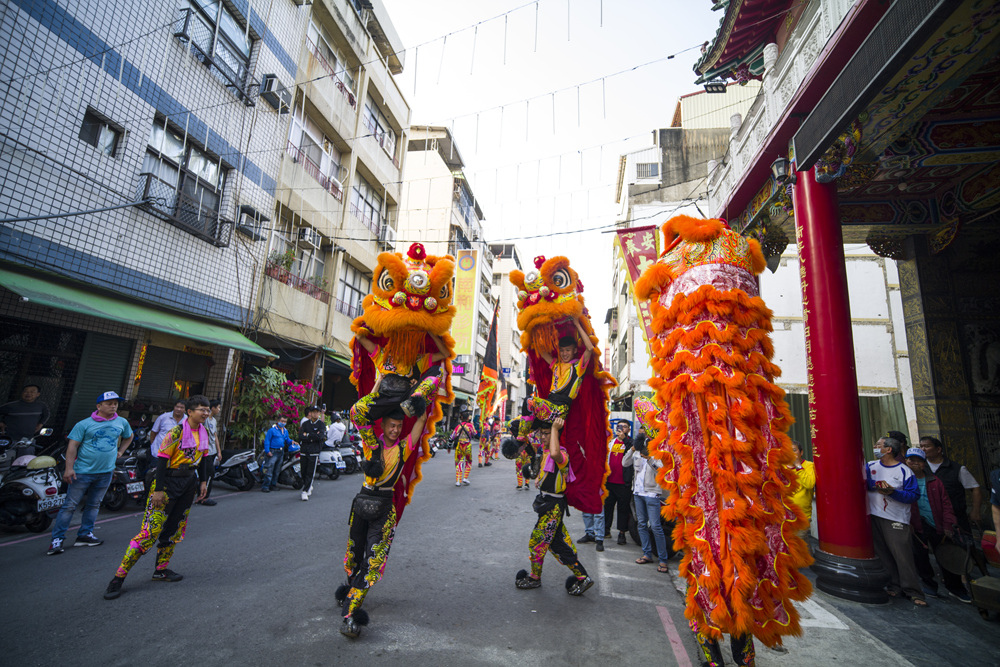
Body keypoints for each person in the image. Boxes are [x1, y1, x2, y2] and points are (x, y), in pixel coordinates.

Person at [104, 395, 212, 600]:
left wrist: (203, 481)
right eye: (201, 409)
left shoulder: (203, 432)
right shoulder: (177, 432)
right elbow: (162, 461)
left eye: (207, 410)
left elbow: (204, 458)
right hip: (167, 483)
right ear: (190, 412)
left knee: (174, 529)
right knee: (149, 533)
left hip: (188, 483)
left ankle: (161, 570)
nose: (205, 413)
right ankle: (118, 577)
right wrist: (159, 490)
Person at [336, 406, 429, 638]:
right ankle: (351, 590)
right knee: (354, 554)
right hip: (362, 503)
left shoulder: (403, 448)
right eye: (391, 425)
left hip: (385, 507)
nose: (395, 430)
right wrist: (379, 386)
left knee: (374, 560)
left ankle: (350, 612)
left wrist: (420, 404)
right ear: (383, 426)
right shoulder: (370, 443)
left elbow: (421, 422)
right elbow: (356, 413)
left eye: (399, 426)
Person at [47, 391, 133, 556]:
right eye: (109, 403)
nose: (113, 406)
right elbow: (72, 447)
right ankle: (57, 539)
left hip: (106, 472)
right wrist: (69, 468)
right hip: (83, 472)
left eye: (115, 403)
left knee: (94, 504)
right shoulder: (84, 424)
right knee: (70, 505)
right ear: (98, 406)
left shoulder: (121, 422)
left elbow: (129, 437)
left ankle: (85, 534)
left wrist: (121, 451)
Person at [514, 418, 593, 596]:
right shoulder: (545, 453)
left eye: (547, 433)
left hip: (553, 508)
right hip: (547, 505)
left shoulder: (562, 454)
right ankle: (582, 577)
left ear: (557, 434)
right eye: (542, 433)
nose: (542, 437)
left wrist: (556, 428)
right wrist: (539, 479)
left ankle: (534, 578)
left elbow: (556, 453)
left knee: (537, 542)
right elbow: (544, 471)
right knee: (557, 543)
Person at [350, 329, 448, 454]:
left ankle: (415, 400)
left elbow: (444, 353)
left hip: (406, 400)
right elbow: (359, 336)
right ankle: (375, 450)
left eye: (407, 342)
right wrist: (378, 323)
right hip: (384, 398)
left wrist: (433, 334)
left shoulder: (417, 360)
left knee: (437, 371)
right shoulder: (382, 355)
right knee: (355, 411)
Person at [866, 436, 926, 606]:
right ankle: (894, 584)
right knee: (883, 553)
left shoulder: (904, 471)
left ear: (889, 449)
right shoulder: (871, 466)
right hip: (874, 515)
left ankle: (914, 591)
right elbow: (862, 482)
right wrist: (877, 486)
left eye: (878, 445)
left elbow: (913, 495)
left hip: (896, 518)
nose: (875, 447)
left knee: (902, 555)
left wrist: (893, 492)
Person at [904, 447, 965, 601]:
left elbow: (946, 504)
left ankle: (955, 587)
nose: (914, 464)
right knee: (921, 557)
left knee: (945, 555)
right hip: (916, 524)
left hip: (936, 523)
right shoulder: (903, 480)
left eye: (918, 461)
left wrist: (949, 523)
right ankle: (929, 584)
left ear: (924, 464)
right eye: (911, 460)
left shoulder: (934, 481)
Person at [522, 319, 594, 432]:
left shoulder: (578, 366)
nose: (564, 353)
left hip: (560, 408)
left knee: (528, 401)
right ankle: (524, 439)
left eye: (568, 350)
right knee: (515, 425)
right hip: (549, 404)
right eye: (562, 350)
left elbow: (590, 348)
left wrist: (577, 324)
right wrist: (535, 329)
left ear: (574, 350)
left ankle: (522, 437)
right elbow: (540, 350)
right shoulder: (556, 365)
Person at [919, 436, 982, 533]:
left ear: (938, 449)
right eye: (921, 446)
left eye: (927, 446)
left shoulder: (957, 469)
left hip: (956, 516)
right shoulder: (921, 469)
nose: (923, 449)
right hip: (928, 518)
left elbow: (975, 488)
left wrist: (975, 511)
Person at [625, 434, 670, 572]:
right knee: (641, 524)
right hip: (638, 493)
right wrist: (632, 449)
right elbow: (625, 463)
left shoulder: (657, 455)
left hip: (652, 494)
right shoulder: (636, 452)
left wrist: (650, 458)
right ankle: (647, 554)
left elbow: (661, 471)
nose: (644, 448)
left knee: (656, 526)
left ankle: (663, 560)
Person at [604, 420, 634, 547]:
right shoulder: (611, 442)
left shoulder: (630, 443)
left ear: (628, 429)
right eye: (619, 426)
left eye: (624, 427)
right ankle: (606, 530)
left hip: (623, 483)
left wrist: (624, 439)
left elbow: (631, 451)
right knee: (608, 507)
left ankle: (622, 533)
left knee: (623, 509)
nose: (621, 429)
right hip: (610, 481)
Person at [0, 384, 51, 452]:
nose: (28, 393)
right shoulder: (11, 406)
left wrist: (40, 424)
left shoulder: (41, 406)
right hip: (10, 439)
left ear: (38, 394)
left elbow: (46, 414)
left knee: (25, 460)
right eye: (25, 391)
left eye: (32, 391)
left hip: (28, 440)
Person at [196, 399, 222, 506]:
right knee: (207, 473)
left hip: (212, 451)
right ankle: (203, 497)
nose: (219, 410)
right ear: (213, 408)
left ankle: (203, 495)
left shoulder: (214, 421)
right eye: (218, 407)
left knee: (209, 473)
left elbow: (215, 436)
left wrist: (219, 451)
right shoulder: (205, 420)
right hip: (204, 451)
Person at [299, 405, 327, 501]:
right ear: (310, 413)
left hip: (314, 451)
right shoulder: (305, 424)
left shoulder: (321, 424)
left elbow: (321, 437)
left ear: (319, 413)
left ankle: (305, 491)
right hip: (304, 450)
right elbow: (300, 436)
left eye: (317, 412)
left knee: (310, 472)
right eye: (313, 412)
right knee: (303, 471)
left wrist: (308, 435)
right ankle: (307, 485)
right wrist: (312, 436)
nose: (315, 414)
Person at [789, 441, 816, 536]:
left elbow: (810, 484)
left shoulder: (809, 465)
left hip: (802, 516)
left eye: (794, 450)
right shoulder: (782, 468)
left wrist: (798, 466)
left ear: (801, 453)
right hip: (785, 516)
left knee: (800, 543)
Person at [261, 417, 294, 493]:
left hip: (280, 452)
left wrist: (292, 442)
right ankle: (265, 486)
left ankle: (273, 485)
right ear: (278, 421)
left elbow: (287, 440)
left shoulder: (285, 431)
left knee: (277, 470)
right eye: (282, 421)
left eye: (285, 421)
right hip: (273, 451)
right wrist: (267, 451)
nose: (283, 423)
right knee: (269, 469)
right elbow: (267, 441)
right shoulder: (272, 430)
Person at [451, 412, 475, 486]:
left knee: (459, 462)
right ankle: (465, 478)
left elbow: (452, 436)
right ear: (468, 418)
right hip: (467, 445)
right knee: (468, 461)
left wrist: (449, 446)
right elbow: (475, 433)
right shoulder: (470, 426)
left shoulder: (458, 426)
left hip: (459, 446)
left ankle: (458, 481)